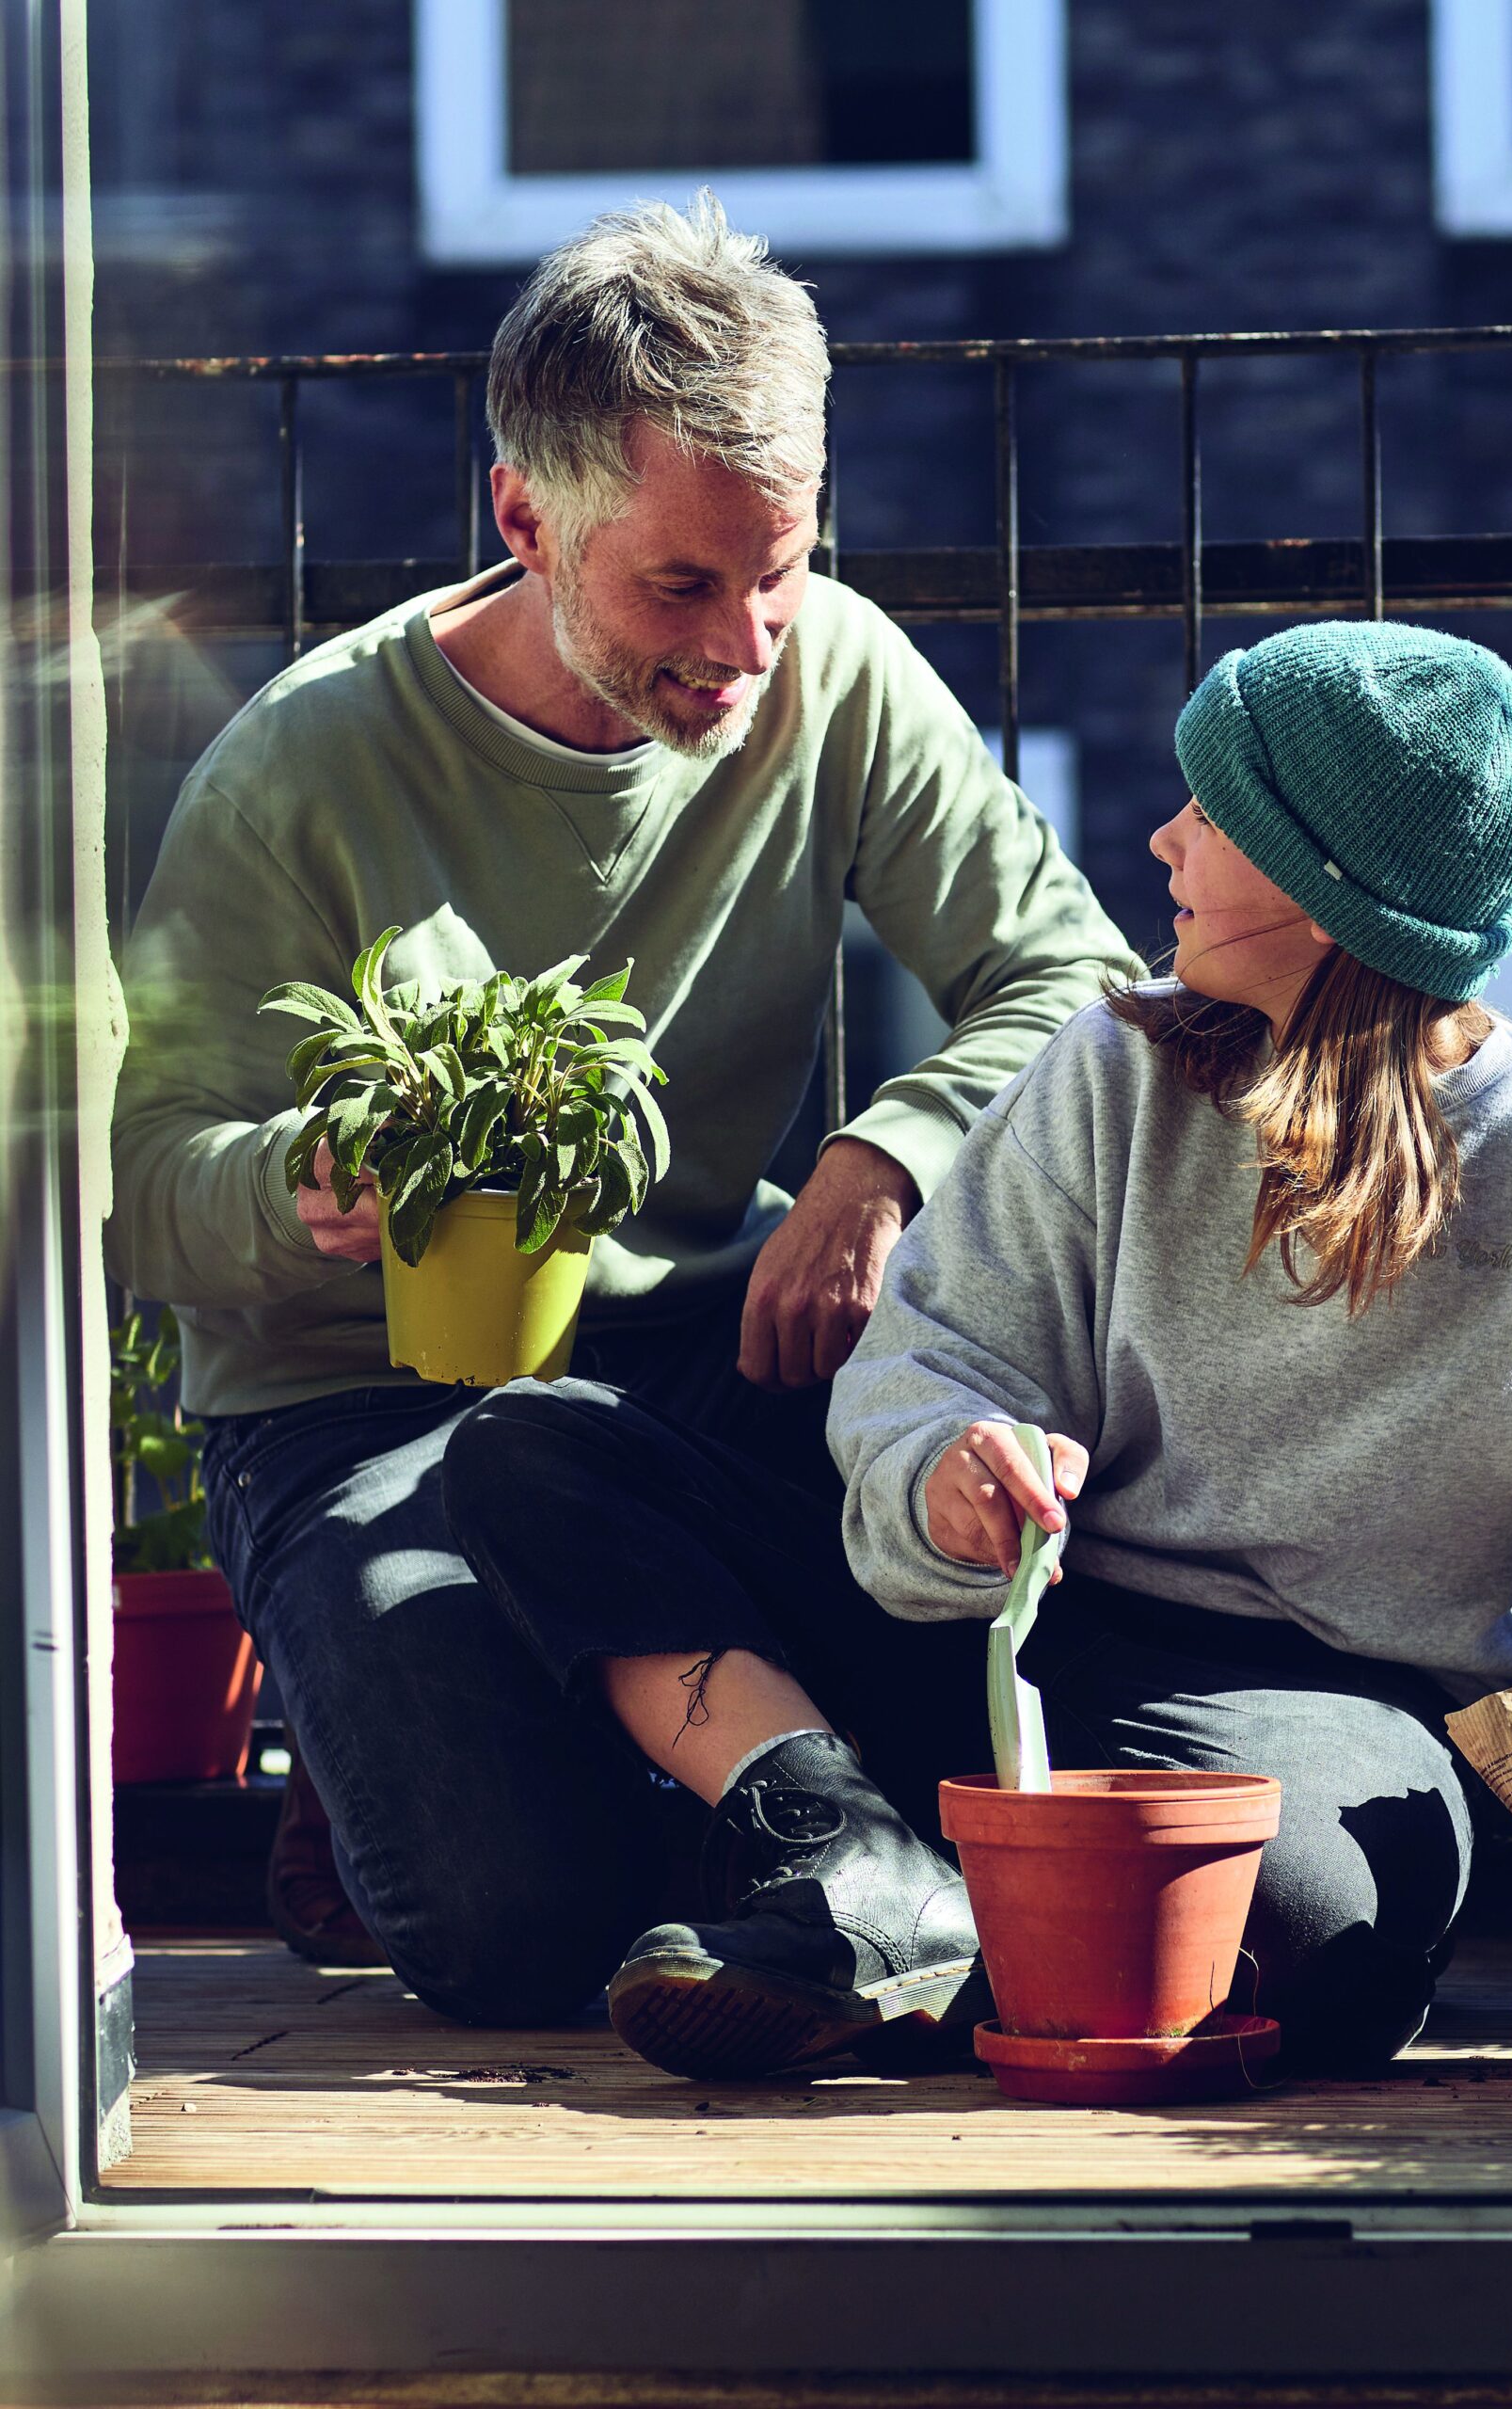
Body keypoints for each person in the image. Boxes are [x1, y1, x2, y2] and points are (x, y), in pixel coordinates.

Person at [450, 616, 1512, 2081]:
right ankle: (843, 1852)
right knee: (537, 1451)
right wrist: (948, 1473)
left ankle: (892, 1939)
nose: (1161, 840)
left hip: (1317, 1717)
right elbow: (928, 1359)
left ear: (1326, 894)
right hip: (1010, 1634)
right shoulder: (1108, 1065)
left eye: (1213, 813)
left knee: (1306, 1911)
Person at [106, 193, 1139, 2026]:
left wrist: (876, 1158)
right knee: (507, 1933)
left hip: (677, 1350)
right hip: (353, 1409)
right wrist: (310, 1184)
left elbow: (1065, 974)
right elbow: (142, 1190)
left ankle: (783, 1834)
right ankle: (497, 1785)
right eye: (682, 584)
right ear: (526, 514)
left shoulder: (832, 668)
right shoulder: (302, 771)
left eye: (781, 567)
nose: (747, 643)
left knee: (987, 1444)